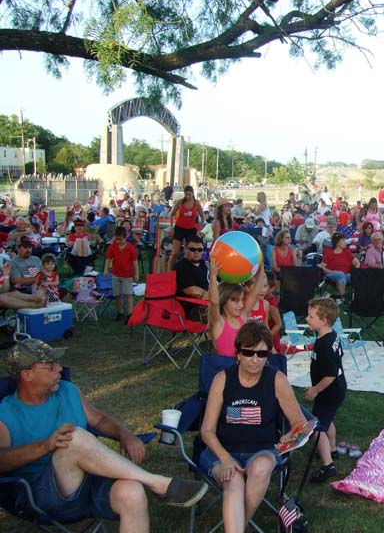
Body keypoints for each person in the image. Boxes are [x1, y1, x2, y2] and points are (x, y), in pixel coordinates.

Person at [0, 339, 208, 531]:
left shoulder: (68, 390)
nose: (59, 368)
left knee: (132, 492)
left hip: (88, 481)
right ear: (27, 375)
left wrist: (124, 433)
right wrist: (45, 446)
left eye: (57, 363)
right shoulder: (6, 414)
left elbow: (98, 420)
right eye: (50, 366)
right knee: (73, 437)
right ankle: (156, 482)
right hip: (39, 494)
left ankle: (153, 483)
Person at [199, 322, 307, 533]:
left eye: (262, 353)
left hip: (262, 450)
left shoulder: (277, 380)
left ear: (268, 355)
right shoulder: (222, 379)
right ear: (238, 354)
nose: (255, 359)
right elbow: (207, 430)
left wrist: (291, 435)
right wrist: (225, 458)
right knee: (233, 481)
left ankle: (238, 526)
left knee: (261, 467)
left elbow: (300, 423)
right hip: (222, 451)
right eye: (248, 352)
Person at [303, 299, 348, 483]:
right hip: (336, 389)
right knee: (326, 420)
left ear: (324, 321)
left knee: (317, 427)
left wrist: (315, 389)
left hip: (329, 391)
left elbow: (330, 375)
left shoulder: (324, 345)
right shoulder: (331, 334)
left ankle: (328, 465)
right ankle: (332, 449)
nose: (307, 319)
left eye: (311, 316)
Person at [208, 259, 264, 357]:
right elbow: (214, 302)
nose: (241, 305)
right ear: (224, 300)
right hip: (227, 365)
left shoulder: (241, 317)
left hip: (244, 364)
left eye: (242, 300)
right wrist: (213, 277)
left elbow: (255, 293)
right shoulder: (219, 322)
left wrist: (261, 269)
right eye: (235, 301)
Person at [103, 226, 138, 321]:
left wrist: (136, 274)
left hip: (127, 275)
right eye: (117, 239)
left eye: (120, 239)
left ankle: (130, 314)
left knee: (128, 295)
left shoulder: (130, 248)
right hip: (116, 274)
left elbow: (135, 262)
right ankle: (120, 312)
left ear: (125, 237)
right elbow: (108, 259)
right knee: (117, 294)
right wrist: (106, 269)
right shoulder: (112, 247)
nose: (118, 241)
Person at [174, 235, 209, 321]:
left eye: (200, 250)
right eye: (192, 249)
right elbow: (192, 291)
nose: (196, 252)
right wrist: (216, 297)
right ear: (185, 249)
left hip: (205, 303)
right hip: (189, 308)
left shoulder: (203, 265)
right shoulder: (181, 266)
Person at [168, 185, 202, 270]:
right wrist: (171, 228)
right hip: (179, 227)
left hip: (191, 229)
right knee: (175, 253)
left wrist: (199, 229)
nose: (187, 196)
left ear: (193, 194)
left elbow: (203, 217)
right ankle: (170, 271)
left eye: (189, 194)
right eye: (186, 194)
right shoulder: (180, 202)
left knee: (189, 253)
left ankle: (187, 271)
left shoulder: (196, 203)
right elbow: (171, 214)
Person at [320, 231, 359, 298]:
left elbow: (357, 263)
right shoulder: (329, 254)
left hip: (346, 275)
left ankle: (356, 297)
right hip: (332, 274)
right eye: (343, 240)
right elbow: (322, 267)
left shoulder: (347, 252)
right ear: (337, 243)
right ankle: (343, 297)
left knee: (357, 276)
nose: (345, 242)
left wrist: (356, 270)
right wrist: (332, 272)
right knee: (340, 274)